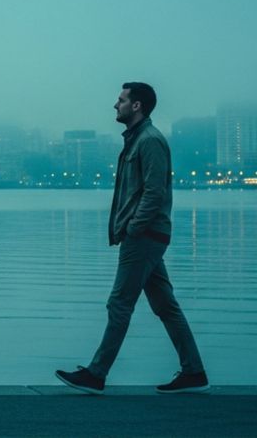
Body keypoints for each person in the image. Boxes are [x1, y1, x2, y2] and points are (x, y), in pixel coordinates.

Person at [56, 82, 209, 394]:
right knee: (165, 305)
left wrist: (135, 228)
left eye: (121, 100)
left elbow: (154, 191)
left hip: (144, 236)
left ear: (136, 106)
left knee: (119, 303)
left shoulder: (149, 141)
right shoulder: (137, 140)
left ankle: (96, 374)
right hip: (147, 234)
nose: (116, 105)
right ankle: (194, 372)